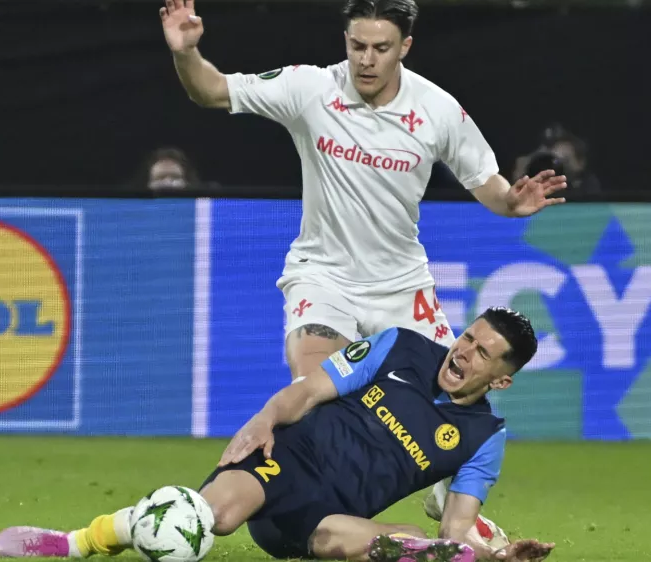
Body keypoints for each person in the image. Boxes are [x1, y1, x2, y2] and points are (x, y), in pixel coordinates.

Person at [158, 0, 567, 520]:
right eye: (357, 46)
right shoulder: (311, 88)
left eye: (381, 48)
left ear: (405, 48)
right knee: (314, 390)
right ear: (345, 42)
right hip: (323, 276)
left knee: (459, 403)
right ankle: (298, 508)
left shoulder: (437, 109)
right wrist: (187, 53)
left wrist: (513, 203)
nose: (366, 60)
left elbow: (488, 186)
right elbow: (211, 90)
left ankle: (453, 512)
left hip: (402, 287)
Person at [0, 308, 556, 562]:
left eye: (482, 353)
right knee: (209, 517)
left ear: (501, 379)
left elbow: (456, 529)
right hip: (283, 459)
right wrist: (263, 420)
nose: (463, 351)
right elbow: (307, 392)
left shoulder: (486, 436)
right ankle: (78, 541)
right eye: (467, 337)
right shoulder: (400, 347)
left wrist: (493, 554)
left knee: (413, 540)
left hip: (329, 521)